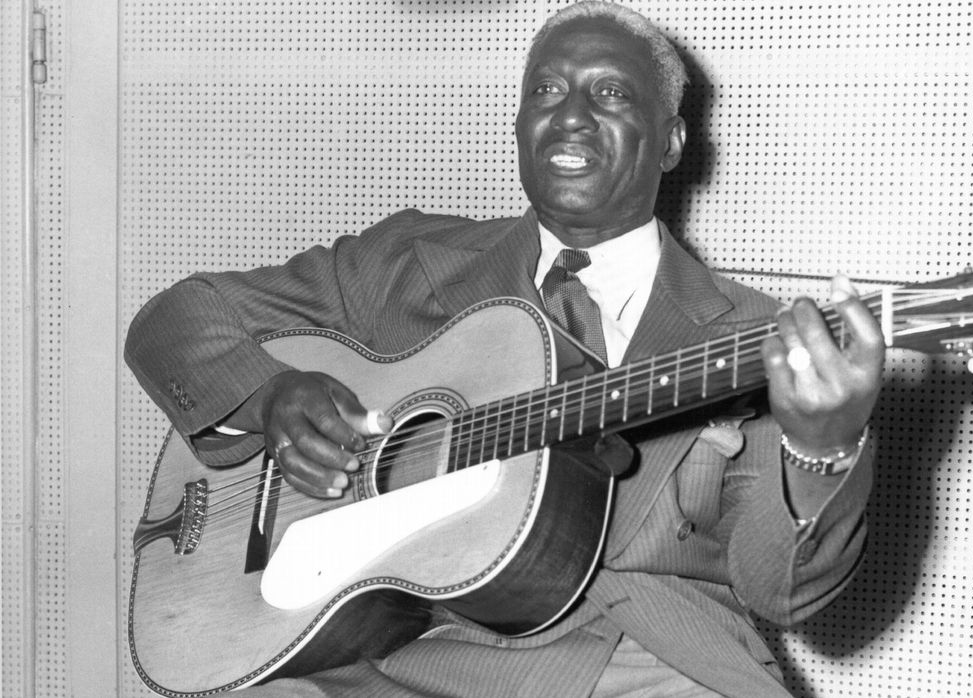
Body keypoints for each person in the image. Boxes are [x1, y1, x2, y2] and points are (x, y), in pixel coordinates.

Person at [125, 2, 884, 696]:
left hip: (641, 655)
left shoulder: (751, 337)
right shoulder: (409, 260)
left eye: (612, 94)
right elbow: (176, 319)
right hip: (397, 647)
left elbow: (781, 592)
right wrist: (267, 395)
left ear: (673, 141)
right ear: (519, 123)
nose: (573, 117)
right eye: (547, 91)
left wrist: (824, 447)